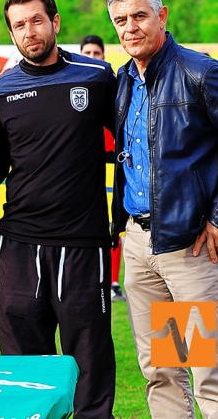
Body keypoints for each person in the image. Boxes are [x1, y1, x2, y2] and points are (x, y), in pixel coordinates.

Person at [106, 0, 218, 419]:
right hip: (139, 245)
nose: (130, 27)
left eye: (139, 16)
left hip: (191, 246)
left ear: (162, 16)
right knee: (162, 370)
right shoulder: (124, 80)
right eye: (120, 20)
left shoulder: (200, 72)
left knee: (208, 372)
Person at [0, 0, 117, 418]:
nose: (29, 31)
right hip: (18, 246)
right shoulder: (0, 89)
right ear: (11, 33)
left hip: (83, 245)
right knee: (23, 367)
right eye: (19, 25)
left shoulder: (96, 77)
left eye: (37, 20)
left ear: (55, 22)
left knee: (90, 362)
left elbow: (130, 147)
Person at [79, 34, 126, 302]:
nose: (92, 57)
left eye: (96, 53)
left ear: (104, 56)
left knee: (113, 222)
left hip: (111, 159)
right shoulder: (70, 85)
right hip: (84, 163)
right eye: (87, 53)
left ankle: (113, 281)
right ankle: (90, 280)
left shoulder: (111, 83)